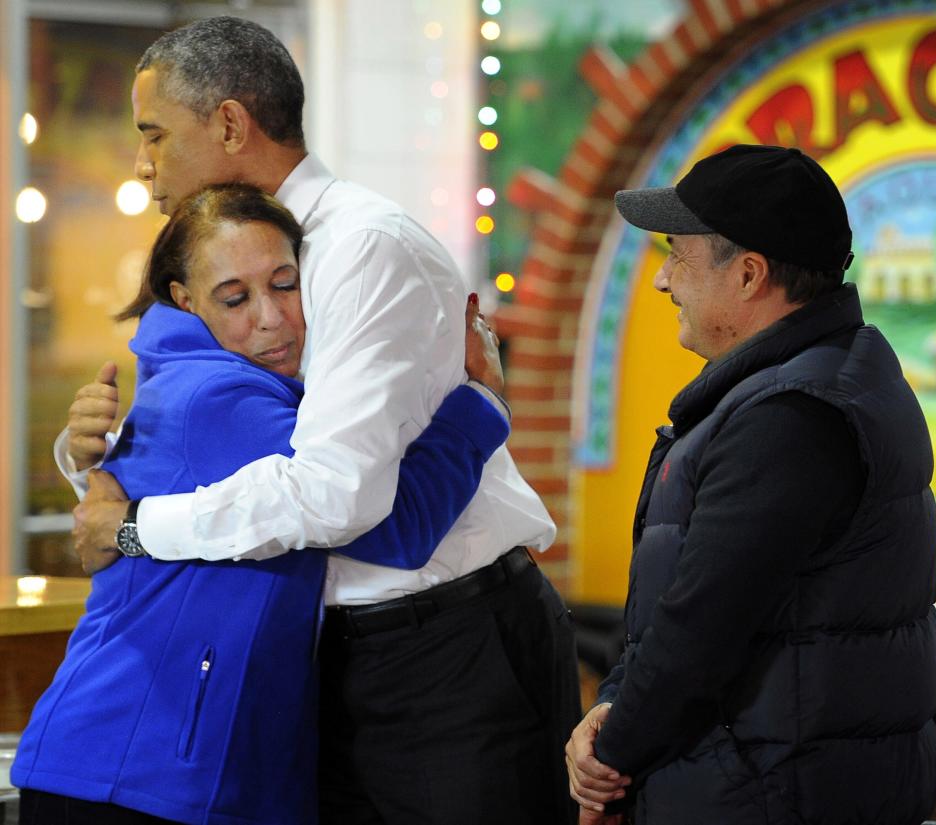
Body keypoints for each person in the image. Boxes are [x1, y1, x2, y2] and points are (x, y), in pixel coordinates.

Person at [60, 17, 579, 825]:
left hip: (445, 647)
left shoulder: (362, 246)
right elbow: (197, 433)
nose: (143, 164)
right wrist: (88, 449)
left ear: (230, 123)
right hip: (321, 649)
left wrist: (132, 525)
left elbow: (342, 500)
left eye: (155, 134)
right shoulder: (234, 257)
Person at [13, 184, 511, 825]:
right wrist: (482, 403)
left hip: (145, 763)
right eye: (235, 297)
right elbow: (398, 530)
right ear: (184, 301)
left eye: (285, 284)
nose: (271, 317)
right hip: (135, 771)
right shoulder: (222, 398)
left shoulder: (200, 381)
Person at [564, 145, 936, 825]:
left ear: (747, 274)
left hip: (772, 794)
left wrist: (609, 759)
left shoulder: (790, 417)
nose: (663, 282)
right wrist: (614, 706)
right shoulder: (825, 380)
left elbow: (698, 629)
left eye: (677, 255)